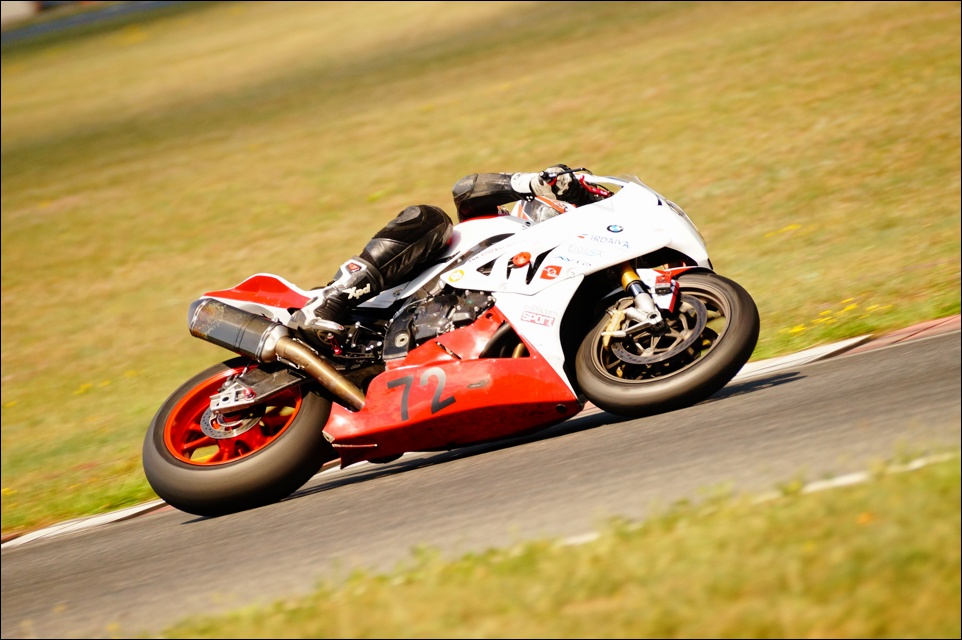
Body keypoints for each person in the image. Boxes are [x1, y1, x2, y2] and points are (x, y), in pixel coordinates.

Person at [292, 164, 603, 333]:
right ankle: (332, 299)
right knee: (430, 219)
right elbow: (465, 189)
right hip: (389, 303)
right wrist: (528, 182)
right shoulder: (501, 221)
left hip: (448, 331)